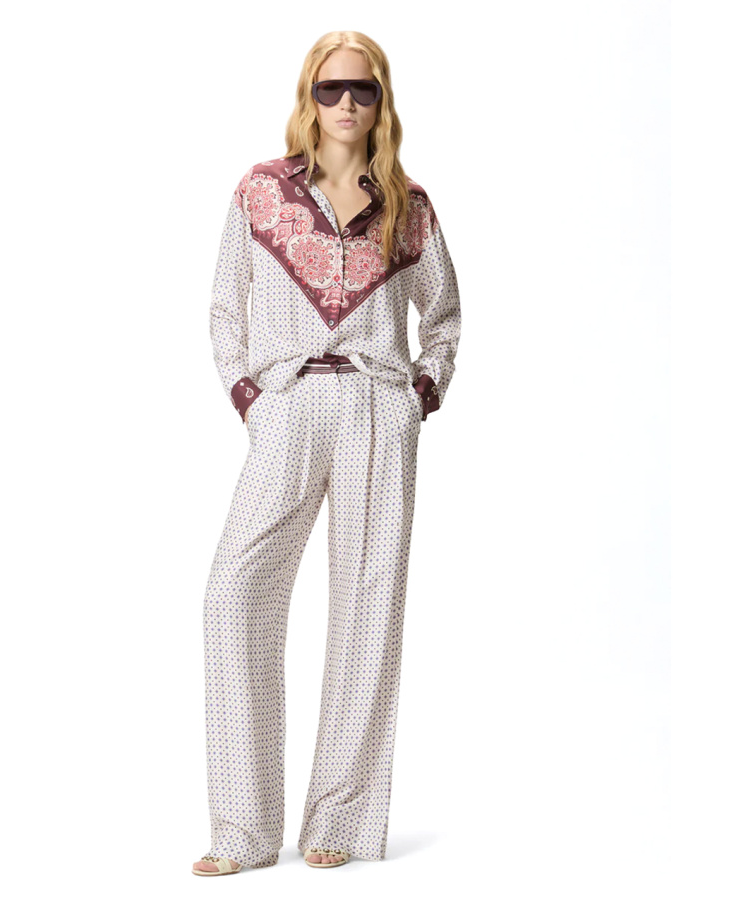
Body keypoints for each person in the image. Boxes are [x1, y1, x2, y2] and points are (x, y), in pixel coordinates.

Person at [193, 30, 462, 876]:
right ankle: (242, 830)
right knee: (234, 595)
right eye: (330, 88)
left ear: (382, 101)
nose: (346, 104)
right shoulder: (261, 192)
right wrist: (250, 397)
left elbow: (443, 316)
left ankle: (337, 819)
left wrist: (420, 394)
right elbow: (224, 306)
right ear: (308, 96)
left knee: (367, 608)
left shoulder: (409, 207)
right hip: (288, 404)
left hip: (378, 408)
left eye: (362, 90)